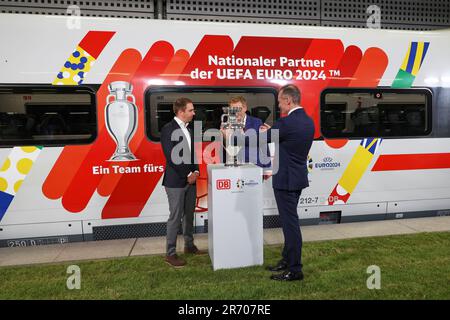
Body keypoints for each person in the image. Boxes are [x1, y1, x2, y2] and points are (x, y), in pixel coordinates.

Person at [260, 84, 315, 281]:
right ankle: (286, 259)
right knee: (288, 222)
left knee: (290, 225)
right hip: (298, 178)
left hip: (286, 181)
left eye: (280, 101)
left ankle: (295, 269)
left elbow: (261, 137)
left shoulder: (286, 123)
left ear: (288, 101)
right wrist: (273, 130)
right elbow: (286, 140)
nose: (278, 104)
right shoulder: (308, 122)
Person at [160, 97, 205, 268]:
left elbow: (193, 154)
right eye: (191, 110)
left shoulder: (189, 129)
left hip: (190, 180)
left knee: (188, 214)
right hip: (175, 182)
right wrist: (187, 174)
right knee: (175, 217)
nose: (194, 113)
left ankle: (189, 246)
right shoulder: (168, 129)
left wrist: (196, 171)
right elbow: (171, 156)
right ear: (181, 112)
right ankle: (170, 254)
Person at [222, 96, 271, 169]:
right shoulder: (227, 125)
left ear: (245, 108)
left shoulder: (257, 122)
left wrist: (267, 166)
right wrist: (225, 137)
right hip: (235, 166)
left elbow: (263, 144)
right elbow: (226, 148)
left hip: (255, 165)